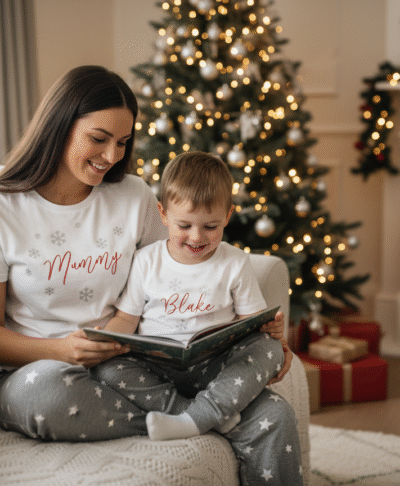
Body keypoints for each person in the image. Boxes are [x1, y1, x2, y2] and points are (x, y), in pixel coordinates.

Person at [0, 65, 302, 485]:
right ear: (59, 126)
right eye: (98, 139)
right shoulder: (5, 209)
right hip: (46, 370)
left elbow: (188, 266)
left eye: (122, 142)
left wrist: (258, 333)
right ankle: (200, 416)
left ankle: (196, 414)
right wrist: (61, 350)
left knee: (275, 414)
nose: (112, 156)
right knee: (42, 394)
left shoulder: (133, 196)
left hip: (139, 364)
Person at [103, 151, 286, 441]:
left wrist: (271, 330)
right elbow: (127, 317)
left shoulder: (235, 262)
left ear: (227, 216)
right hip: (157, 368)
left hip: (215, 370)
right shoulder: (146, 261)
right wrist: (104, 341)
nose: (197, 237)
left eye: (211, 227)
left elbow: (251, 324)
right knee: (107, 368)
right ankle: (202, 415)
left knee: (270, 350)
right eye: (184, 226)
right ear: (163, 214)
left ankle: (199, 416)